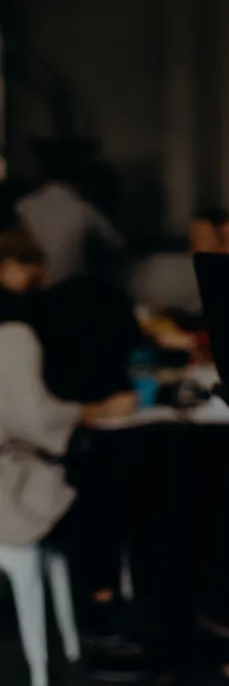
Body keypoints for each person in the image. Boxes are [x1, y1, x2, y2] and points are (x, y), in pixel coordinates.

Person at [0, 227, 138, 640]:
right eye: (34, 270)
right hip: (10, 489)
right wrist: (92, 410)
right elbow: (37, 421)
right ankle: (103, 603)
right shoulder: (15, 331)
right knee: (104, 486)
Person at [16, 137, 125, 284]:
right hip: (69, 293)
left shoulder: (22, 206)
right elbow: (117, 246)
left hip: (29, 291)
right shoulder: (83, 209)